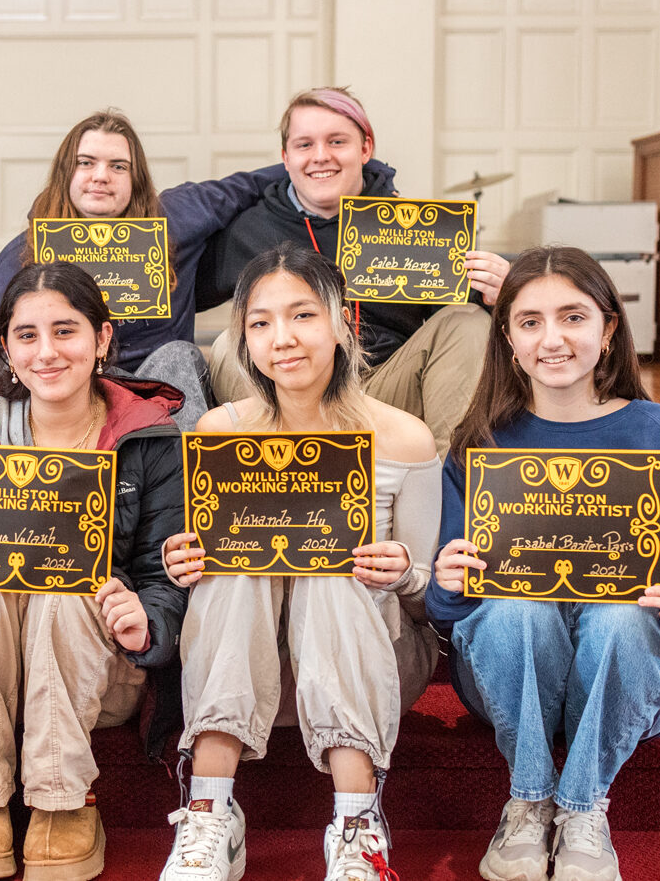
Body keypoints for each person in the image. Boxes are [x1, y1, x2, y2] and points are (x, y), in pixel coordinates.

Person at [427, 246, 660, 881]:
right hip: (514, 673)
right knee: (513, 609)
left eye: (573, 317)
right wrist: (448, 585)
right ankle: (528, 799)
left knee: (624, 619)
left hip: (631, 670)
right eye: (529, 322)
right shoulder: (479, 445)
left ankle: (581, 809)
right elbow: (450, 612)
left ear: (608, 330)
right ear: (507, 341)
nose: (553, 339)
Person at [0, 261, 187, 881]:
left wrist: (146, 619)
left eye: (66, 331)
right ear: (5, 348)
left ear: (102, 339)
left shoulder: (150, 440)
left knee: (66, 594)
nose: (46, 352)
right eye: (26, 335)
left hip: (93, 674)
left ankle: (62, 802)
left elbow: (165, 580)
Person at [158, 243, 442, 881]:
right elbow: (197, 571)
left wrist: (401, 572)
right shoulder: (219, 433)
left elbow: (431, 604)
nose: (282, 339)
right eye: (260, 323)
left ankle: (358, 822)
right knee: (235, 568)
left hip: (370, 660)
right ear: (245, 342)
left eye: (303, 316)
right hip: (248, 665)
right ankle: (209, 815)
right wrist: (185, 564)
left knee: (328, 571)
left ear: (344, 323)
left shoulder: (404, 436)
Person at [200, 86, 510, 456]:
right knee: (224, 346)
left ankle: (449, 483)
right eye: (304, 145)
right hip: (289, 397)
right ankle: (268, 482)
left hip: (385, 389)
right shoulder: (248, 229)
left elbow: (468, 322)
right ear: (285, 157)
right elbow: (182, 291)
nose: (320, 156)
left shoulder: (414, 224)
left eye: (336, 141)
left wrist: (502, 293)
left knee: (468, 321)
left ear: (365, 149)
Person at [0, 110, 288, 430]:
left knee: (179, 355)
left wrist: (326, 168)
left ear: (136, 178)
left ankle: (186, 476)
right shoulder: (28, 252)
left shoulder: (178, 218)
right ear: (65, 174)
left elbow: (251, 184)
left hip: (155, 388)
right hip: (67, 389)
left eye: (118, 166)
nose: (101, 176)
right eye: (85, 163)